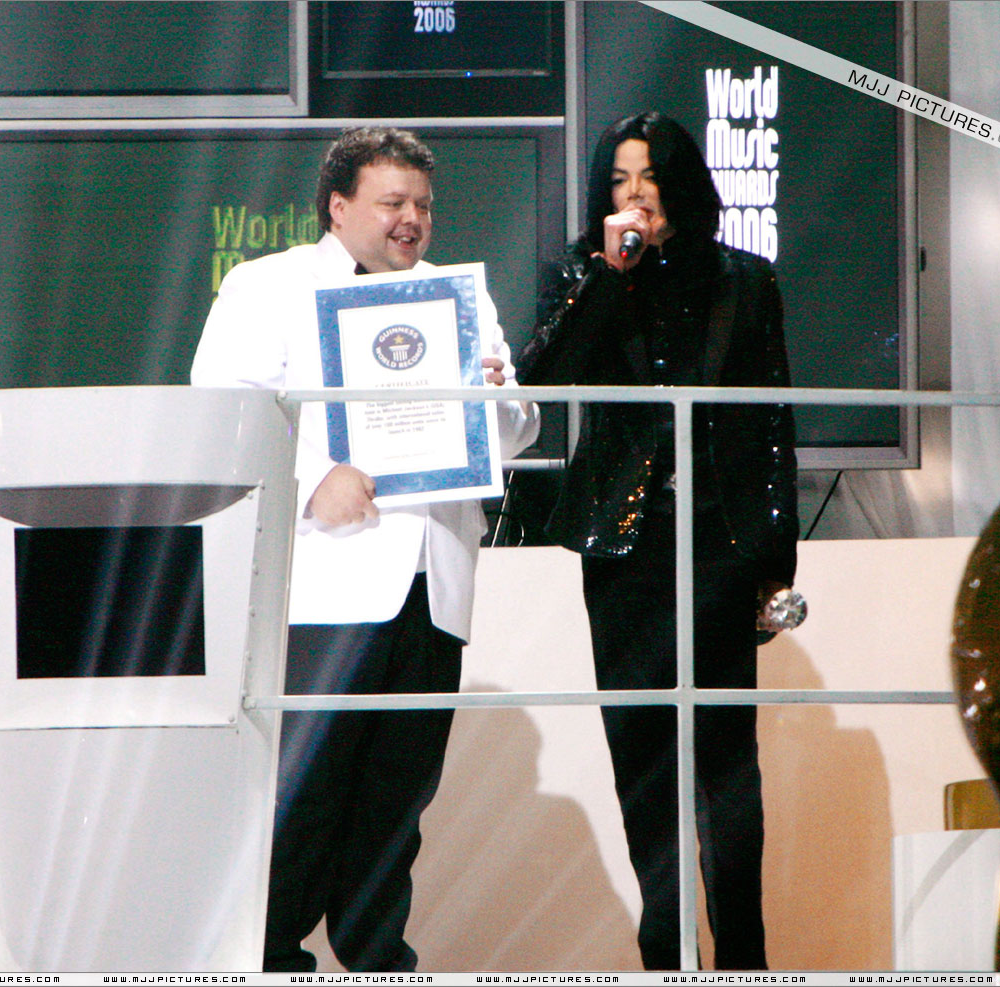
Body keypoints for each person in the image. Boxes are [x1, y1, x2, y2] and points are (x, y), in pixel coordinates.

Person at [191, 126, 539, 972]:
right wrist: (315, 479)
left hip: (432, 584)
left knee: (398, 796)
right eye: (392, 202)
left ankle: (378, 957)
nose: (411, 218)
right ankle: (268, 956)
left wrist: (496, 398)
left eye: (422, 204)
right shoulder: (267, 285)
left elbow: (519, 430)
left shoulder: (457, 298)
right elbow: (222, 410)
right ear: (339, 207)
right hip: (322, 584)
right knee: (301, 791)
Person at [517, 112, 798, 971]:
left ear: (680, 181)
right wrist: (611, 273)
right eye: (618, 180)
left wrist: (775, 566)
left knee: (727, 768)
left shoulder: (745, 280)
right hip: (626, 548)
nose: (635, 194)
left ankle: (744, 956)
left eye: (648, 176)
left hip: (720, 545)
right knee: (643, 762)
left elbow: (773, 427)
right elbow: (544, 379)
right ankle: (666, 957)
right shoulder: (583, 273)